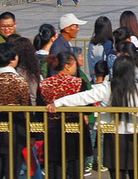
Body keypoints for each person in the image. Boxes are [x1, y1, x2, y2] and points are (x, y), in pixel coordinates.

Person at [48, 55, 138, 179]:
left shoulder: (107, 87)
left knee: (116, 174)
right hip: (137, 136)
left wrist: (58, 102)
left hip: (113, 137)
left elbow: (82, 97)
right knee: (137, 174)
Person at [40, 51, 91, 179]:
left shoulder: (44, 84)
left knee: (54, 168)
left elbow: (39, 108)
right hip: (74, 129)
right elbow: (88, 108)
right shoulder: (79, 83)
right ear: (67, 66)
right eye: (75, 64)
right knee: (75, 167)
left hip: (52, 129)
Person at [0, 43, 30, 179]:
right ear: (13, 59)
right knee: (12, 171)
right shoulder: (19, 81)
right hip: (15, 130)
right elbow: (25, 106)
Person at [87, 16, 114, 82]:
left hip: (94, 77)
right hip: (104, 78)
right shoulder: (108, 43)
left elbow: (90, 60)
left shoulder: (92, 43)